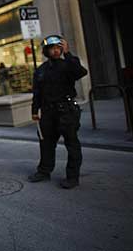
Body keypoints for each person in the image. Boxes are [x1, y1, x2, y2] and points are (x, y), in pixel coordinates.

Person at [28, 35, 88, 189]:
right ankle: (44, 171)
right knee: (46, 144)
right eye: (52, 48)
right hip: (48, 113)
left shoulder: (68, 64)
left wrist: (68, 53)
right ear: (46, 51)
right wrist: (35, 111)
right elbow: (37, 93)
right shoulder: (41, 71)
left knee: (72, 144)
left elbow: (81, 72)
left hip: (66, 111)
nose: (55, 51)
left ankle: (72, 177)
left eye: (58, 48)